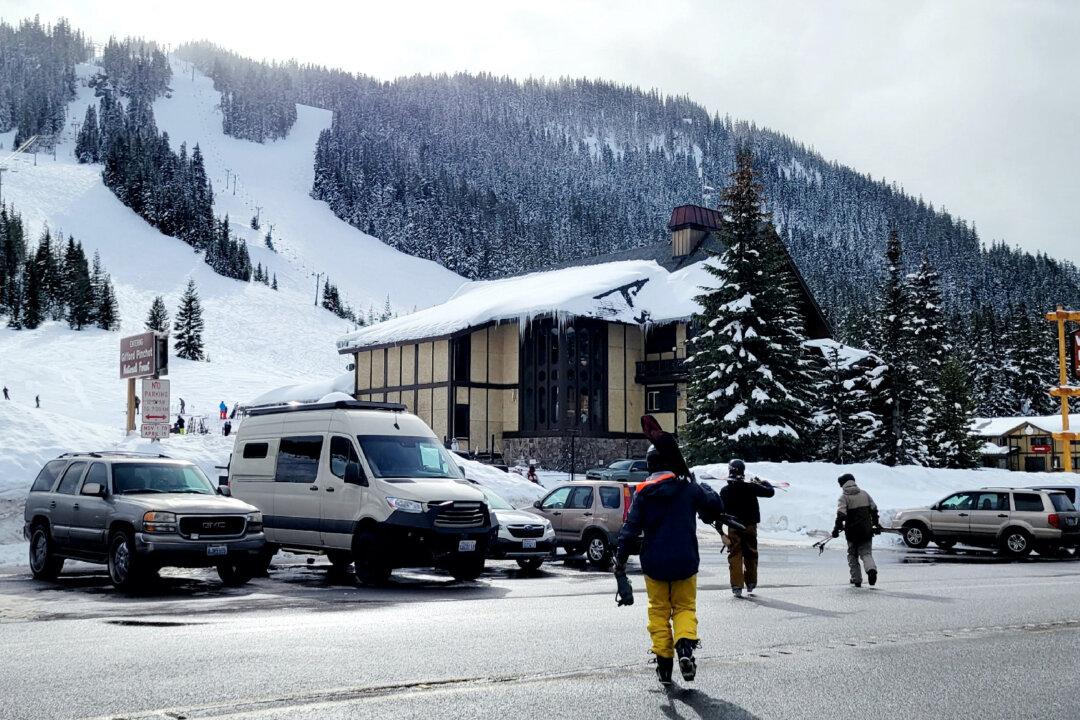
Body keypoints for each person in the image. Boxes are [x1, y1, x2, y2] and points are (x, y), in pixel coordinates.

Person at [615, 418, 725, 686]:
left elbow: (629, 530)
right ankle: (685, 646)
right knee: (685, 607)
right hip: (685, 561)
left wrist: (620, 562)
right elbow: (715, 505)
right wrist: (703, 486)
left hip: (654, 564)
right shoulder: (688, 489)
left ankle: (664, 665)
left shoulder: (643, 495)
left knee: (659, 611)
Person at [719, 459, 775, 598]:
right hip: (750, 526)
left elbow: (720, 512)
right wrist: (763, 482)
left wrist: (721, 533)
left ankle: (737, 586)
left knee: (735, 554)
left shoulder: (725, 491)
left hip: (733, 526)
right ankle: (750, 582)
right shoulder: (751, 487)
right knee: (751, 552)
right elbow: (770, 492)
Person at [832, 473, 881, 588]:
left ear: (842, 484)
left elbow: (841, 515)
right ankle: (871, 570)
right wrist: (876, 524)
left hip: (852, 532)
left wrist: (836, 529)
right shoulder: (864, 494)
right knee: (866, 553)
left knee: (852, 555)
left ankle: (856, 579)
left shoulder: (844, 497)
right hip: (866, 530)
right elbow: (874, 510)